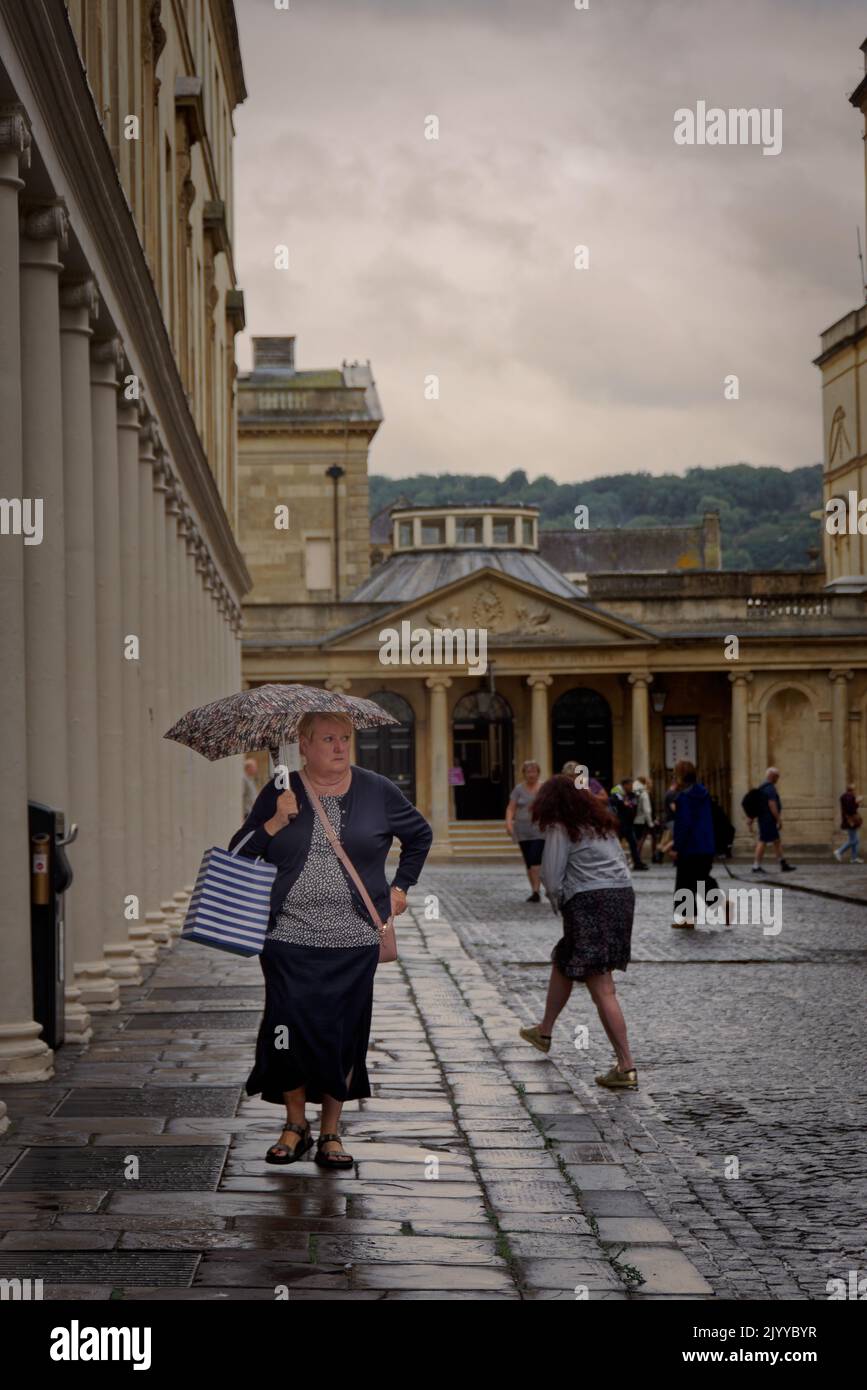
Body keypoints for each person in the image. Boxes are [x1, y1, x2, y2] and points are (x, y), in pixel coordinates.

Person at [229, 713, 432, 1167]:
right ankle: (294, 1125)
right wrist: (275, 823)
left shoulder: (377, 789)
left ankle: (331, 1133)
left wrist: (401, 888)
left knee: (343, 1033)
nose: (340, 748)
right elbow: (239, 853)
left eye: (345, 738)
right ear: (303, 744)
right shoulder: (280, 791)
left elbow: (419, 835)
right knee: (287, 1031)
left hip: (355, 939)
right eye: (328, 739)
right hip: (287, 938)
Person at [518, 777, 638, 1089]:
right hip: (621, 897)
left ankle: (626, 1066)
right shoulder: (601, 823)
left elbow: (551, 875)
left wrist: (558, 902)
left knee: (602, 986)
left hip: (588, 900)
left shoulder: (561, 827)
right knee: (565, 957)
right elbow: (622, 865)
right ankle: (544, 1030)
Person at [669, 759, 721, 929]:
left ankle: (687, 918)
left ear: (680, 776)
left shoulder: (684, 798)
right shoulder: (704, 793)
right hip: (706, 846)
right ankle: (719, 904)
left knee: (684, 881)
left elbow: (683, 825)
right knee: (700, 879)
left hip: (690, 847)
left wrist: (676, 847)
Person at [506, 760, 545, 902]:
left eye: (534, 771)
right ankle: (533, 889)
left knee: (536, 859)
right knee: (529, 861)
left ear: (538, 773)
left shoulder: (544, 788)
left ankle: (537, 890)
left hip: (540, 830)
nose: (531, 775)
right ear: (524, 774)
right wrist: (509, 823)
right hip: (522, 830)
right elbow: (511, 808)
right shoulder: (518, 789)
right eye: (528, 772)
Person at [750, 767, 796, 874]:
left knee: (776, 841)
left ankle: (782, 863)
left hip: (765, 818)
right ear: (772, 776)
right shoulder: (769, 788)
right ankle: (756, 866)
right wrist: (779, 819)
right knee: (763, 841)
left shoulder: (762, 787)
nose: (778, 779)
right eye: (777, 777)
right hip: (768, 819)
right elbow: (772, 804)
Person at [609, 777, 646, 870]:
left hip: (628, 823)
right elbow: (616, 802)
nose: (631, 787)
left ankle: (637, 863)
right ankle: (612, 863)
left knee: (633, 844)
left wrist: (627, 804)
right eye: (630, 785)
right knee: (615, 844)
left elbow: (633, 804)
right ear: (625, 785)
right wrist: (625, 804)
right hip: (619, 823)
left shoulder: (631, 794)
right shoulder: (616, 790)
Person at [834, 783, 863, 863]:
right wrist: (857, 802)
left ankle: (854, 858)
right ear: (852, 790)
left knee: (855, 839)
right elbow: (851, 809)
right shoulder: (850, 797)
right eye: (854, 789)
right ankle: (839, 851)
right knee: (853, 840)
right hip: (850, 821)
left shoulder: (845, 796)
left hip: (848, 820)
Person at [632, 775, 654, 865]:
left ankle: (636, 859)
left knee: (638, 840)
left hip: (636, 819)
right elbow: (647, 810)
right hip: (642, 820)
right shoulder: (644, 793)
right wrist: (650, 823)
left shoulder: (636, 792)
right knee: (640, 841)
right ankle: (636, 859)